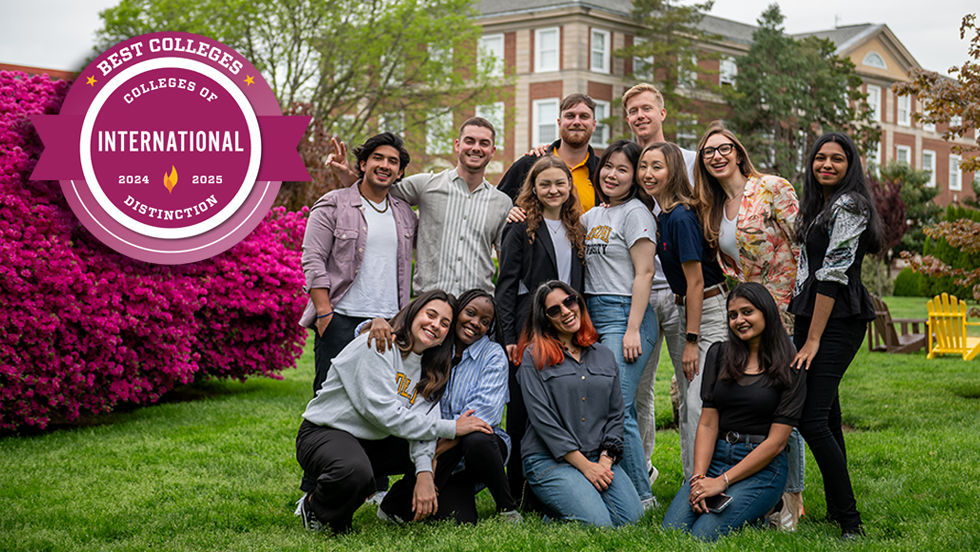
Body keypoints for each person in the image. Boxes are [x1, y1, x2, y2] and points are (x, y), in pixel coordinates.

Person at [294, 290, 493, 534]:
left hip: (374, 441)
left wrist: (424, 472)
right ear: (413, 313)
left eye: (444, 324)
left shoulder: (430, 371)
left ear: (445, 337)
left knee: (446, 445)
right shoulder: (379, 344)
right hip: (327, 432)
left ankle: (396, 509)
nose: (435, 325)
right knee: (355, 473)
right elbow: (385, 414)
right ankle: (316, 506)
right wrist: (452, 427)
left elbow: (423, 423)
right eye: (430, 315)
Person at [692, 122, 805, 529]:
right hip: (745, 313)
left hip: (783, 308)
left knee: (783, 407)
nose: (717, 157)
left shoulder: (773, 188)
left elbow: (802, 245)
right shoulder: (712, 207)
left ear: (738, 153)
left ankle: (789, 505)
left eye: (724, 149)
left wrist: (797, 306)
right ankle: (756, 497)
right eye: (708, 153)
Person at [789, 132, 882, 540]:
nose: (826, 164)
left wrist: (811, 339)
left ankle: (851, 523)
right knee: (828, 415)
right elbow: (806, 268)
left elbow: (832, 274)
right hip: (810, 316)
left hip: (839, 319)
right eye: (820, 158)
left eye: (837, 159)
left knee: (811, 419)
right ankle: (836, 509)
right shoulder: (818, 206)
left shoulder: (852, 205)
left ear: (851, 166)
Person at [662, 282, 805, 541]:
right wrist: (699, 479)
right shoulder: (719, 354)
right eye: (733, 315)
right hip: (717, 456)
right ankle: (748, 512)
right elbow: (707, 424)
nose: (739, 320)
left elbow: (777, 443)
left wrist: (721, 482)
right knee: (672, 532)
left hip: (763, 466)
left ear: (766, 312)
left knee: (702, 536)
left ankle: (767, 507)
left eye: (747, 312)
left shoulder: (791, 365)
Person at [363, 290, 521, 524]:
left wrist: (431, 458)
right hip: (432, 438)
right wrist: (377, 323)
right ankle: (407, 497)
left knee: (474, 438)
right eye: (470, 313)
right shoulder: (435, 344)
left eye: (485, 321)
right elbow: (384, 334)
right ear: (457, 313)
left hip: (479, 447)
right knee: (460, 520)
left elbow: (477, 420)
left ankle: (507, 509)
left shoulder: (493, 355)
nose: (475, 323)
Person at [328, 117, 511, 296]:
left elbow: (506, 269)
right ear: (457, 145)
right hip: (429, 307)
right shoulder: (426, 185)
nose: (476, 148)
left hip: (475, 311)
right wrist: (346, 174)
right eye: (469, 141)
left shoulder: (503, 203)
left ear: (493, 151)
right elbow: (373, 192)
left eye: (484, 143)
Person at [495, 156, 587, 503]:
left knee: (559, 407)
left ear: (569, 186)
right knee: (522, 410)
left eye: (560, 183)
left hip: (567, 327)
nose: (553, 190)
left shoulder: (577, 226)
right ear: (533, 188)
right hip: (527, 329)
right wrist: (507, 338)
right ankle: (518, 490)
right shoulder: (520, 227)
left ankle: (556, 484)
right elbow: (504, 287)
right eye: (545, 184)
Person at [517, 280, 644, 527]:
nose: (565, 311)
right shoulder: (533, 357)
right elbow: (543, 422)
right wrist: (586, 467)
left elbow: (617, 415)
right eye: (554, 310)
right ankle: (555, 508)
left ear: (578, 301)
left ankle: (571, 501)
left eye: (569, 301)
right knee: (598, 525)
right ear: (545, 320)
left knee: (633, 521)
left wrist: (605, 461)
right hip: (549, 458)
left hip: (598, 456)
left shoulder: (605, 355)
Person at [637, 141, 728, 481]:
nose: (648, 173)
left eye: (657, 167)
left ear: (673, 170)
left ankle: (705, 482)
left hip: (707, 308)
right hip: (689, 306)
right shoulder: (662, 214)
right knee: (691, 404)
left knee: (698, 403)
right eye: (644, 166)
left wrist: (691, 340)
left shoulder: (679, 216)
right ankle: (695, 481)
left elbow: (695, 282)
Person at [299, 132, 417, 394]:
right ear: (362, 164)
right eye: (378, 158)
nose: (385, 165)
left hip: (391, 321)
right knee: (330, 396)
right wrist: (324, 313)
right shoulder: (333, 204)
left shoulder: (406, 215)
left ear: (399, 173)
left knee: (382, 397)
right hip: (340, 318)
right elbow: (312, 259)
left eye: (393, 161)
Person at [622, 83, 696, 485]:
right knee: (637, 390)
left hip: (683, 291)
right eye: (633, 111)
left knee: (691, 392)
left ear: (662, 112)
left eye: (646, 108)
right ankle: (642, 470)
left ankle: (692, 475)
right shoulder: (626, 163)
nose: (640, 116)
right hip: (641, 295)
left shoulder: (690, 160)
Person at [580, 139, 658, 507]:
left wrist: (631, 328)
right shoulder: (592, 216)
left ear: (634, 178)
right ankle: (624, 478)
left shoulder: (636, 213)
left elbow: (644, 273)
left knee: (619, 407)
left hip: (625, 315)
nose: (612, 174)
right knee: (603, 405)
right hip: (592, 316)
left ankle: (643, 496)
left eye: (622, 169)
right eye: (608, 166)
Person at [498, 93, 601, 212]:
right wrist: (509, 214)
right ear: (559, 123)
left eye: (584, 116)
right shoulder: (529, 164)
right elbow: (497, 208)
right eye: (570, 116)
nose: (577, 122)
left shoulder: (602, 172)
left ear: (593, 125)